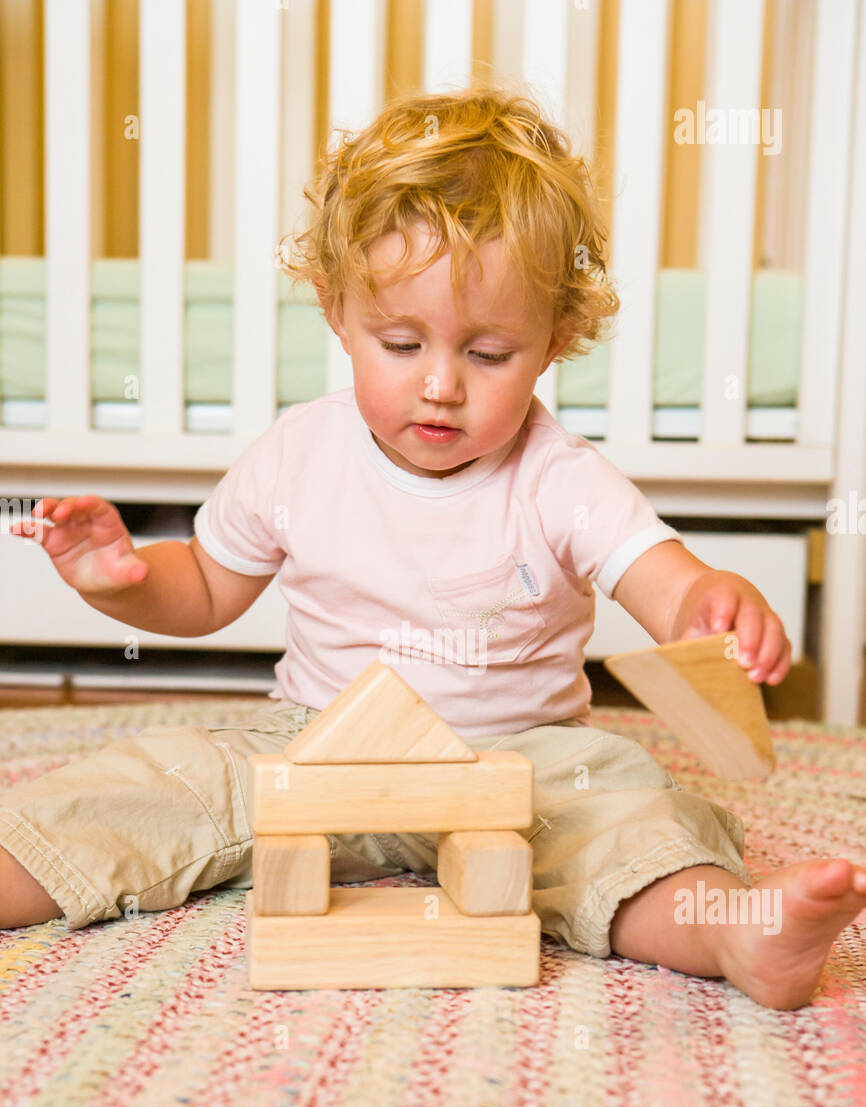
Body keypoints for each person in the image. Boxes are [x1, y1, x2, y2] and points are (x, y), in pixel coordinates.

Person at [3, 83, 864, 1011]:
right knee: (164, 779)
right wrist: (122, 581)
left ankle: (735, 929)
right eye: (401, 342)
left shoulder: (560, 477)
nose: (441, 385)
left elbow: (662, 581)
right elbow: (206, 588)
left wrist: (710, 603)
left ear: (555, 341)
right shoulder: (298, 452)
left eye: (489, 353)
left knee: (626, 815)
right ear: (337, 312)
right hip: (317, 739)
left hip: (519, 759)